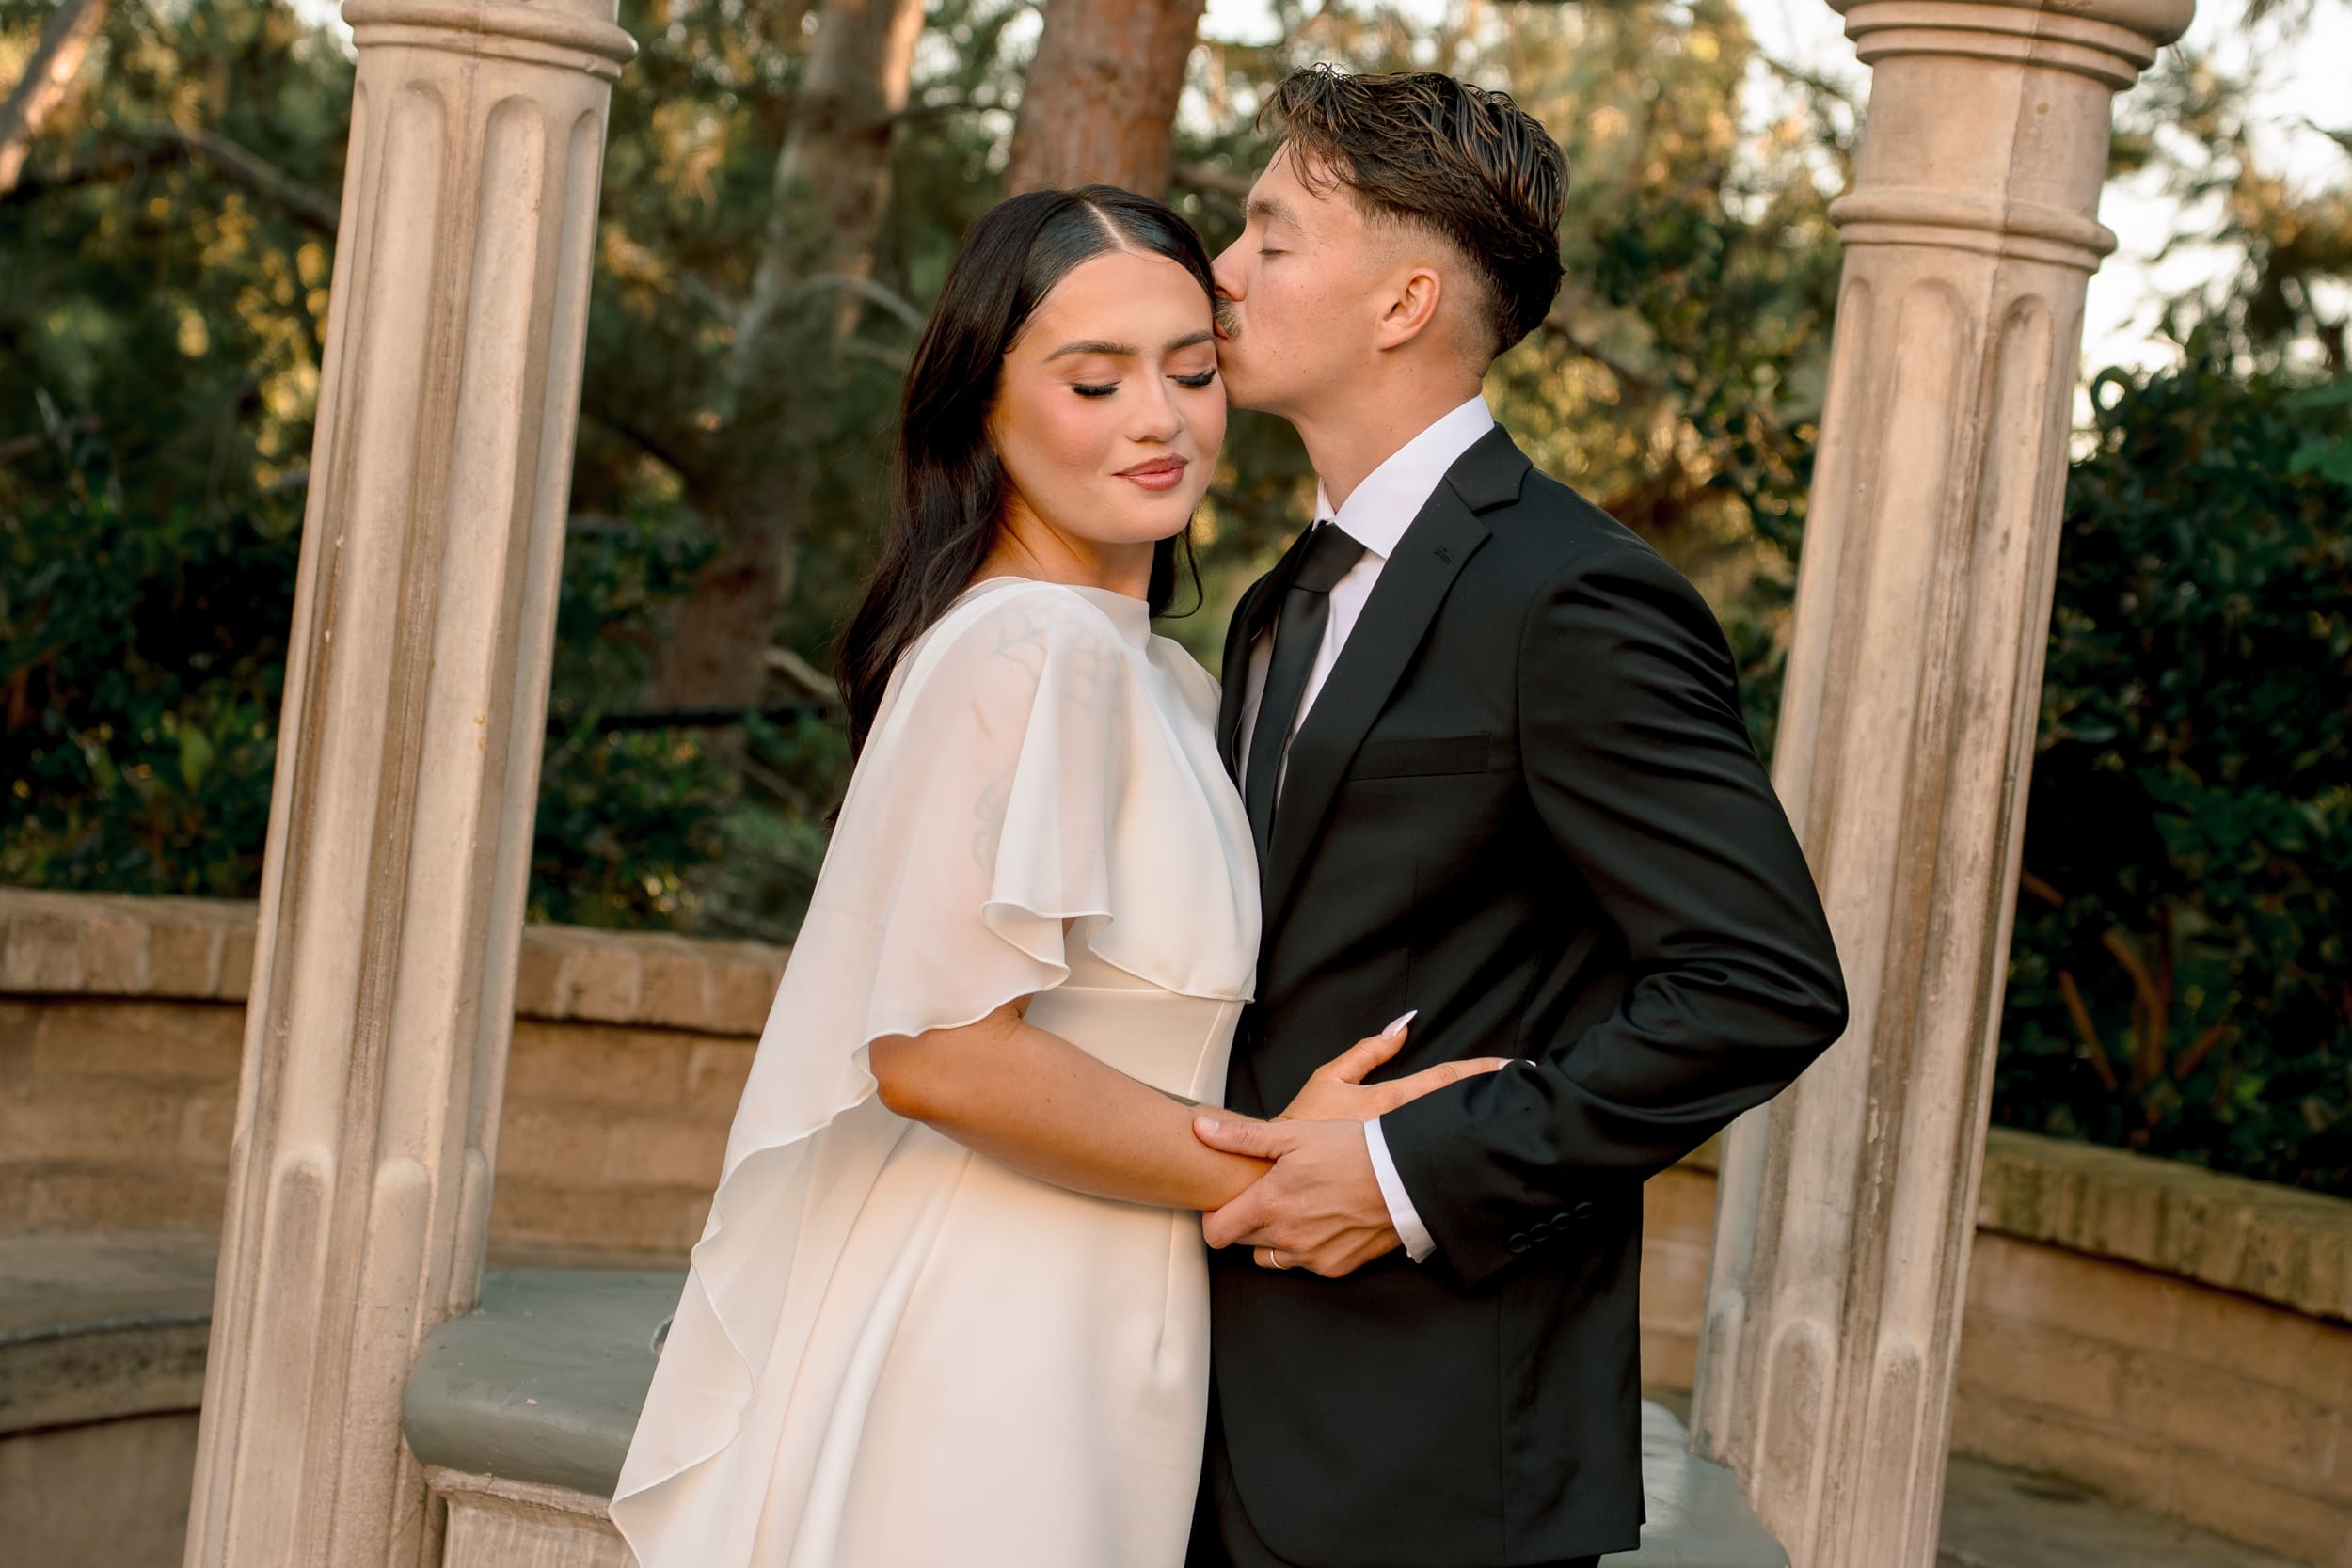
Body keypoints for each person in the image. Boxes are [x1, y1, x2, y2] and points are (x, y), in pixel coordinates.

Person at [606, 184, 1501, 1568]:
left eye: (1192, 370)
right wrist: (1265, 1166)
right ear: (983, 410)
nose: (1160, 419)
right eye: (1096, 380)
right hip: (992, 1324)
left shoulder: (1152, 667)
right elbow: (938, 1052)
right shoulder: (1032, 651)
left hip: (1106, 1303)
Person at [1180, 69, 1850, 1568]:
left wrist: (1409, 1177)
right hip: (1207, 1418)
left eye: (1272, 235)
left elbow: (1761, 986)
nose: (1222, 269)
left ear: (1404, 301)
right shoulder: (1284, 598)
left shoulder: (1574, 595)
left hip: (1430, 1459)